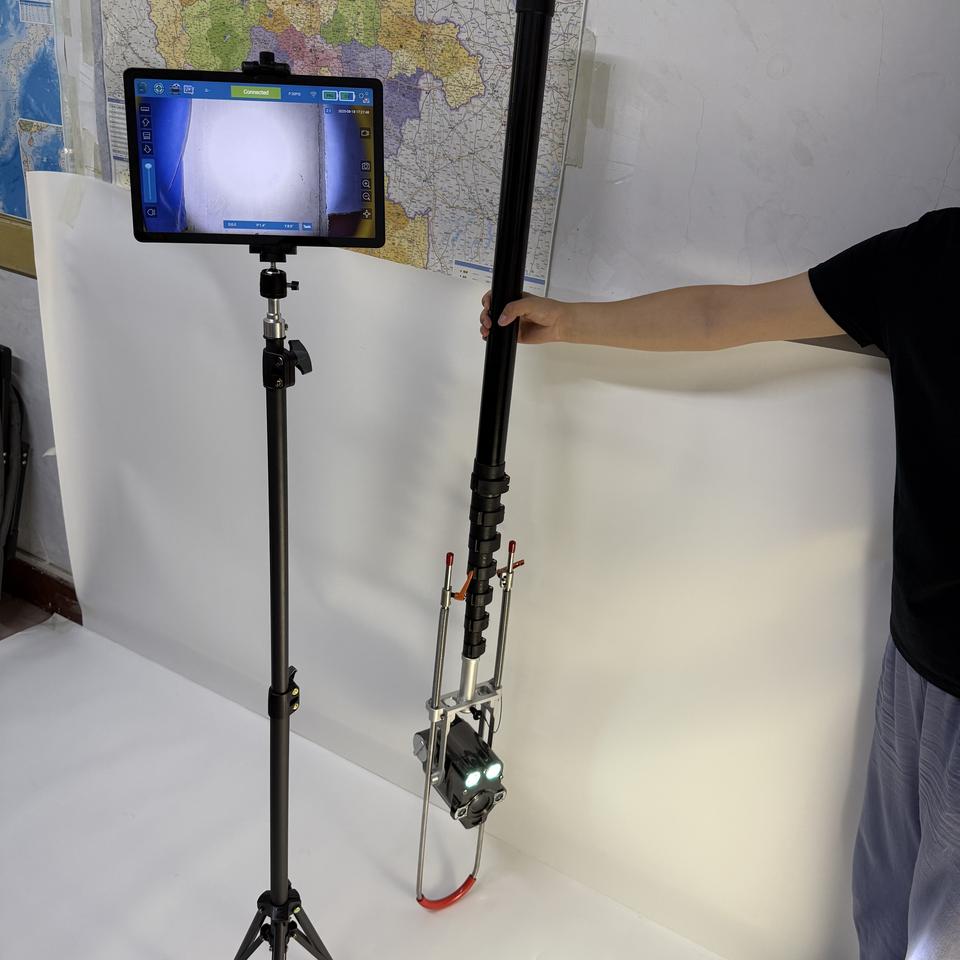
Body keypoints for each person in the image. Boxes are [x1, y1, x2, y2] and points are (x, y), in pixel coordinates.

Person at [480, 207, 960, 960]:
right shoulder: (934, 254)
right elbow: (721, 315)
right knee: (885, 902)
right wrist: (568, 320)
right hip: (917, 656)